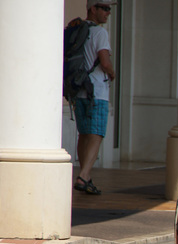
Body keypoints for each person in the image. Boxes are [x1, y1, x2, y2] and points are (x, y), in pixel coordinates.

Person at [72, 0, 117, 195]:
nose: (108, 13)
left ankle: (86, 175)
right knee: (97, 134)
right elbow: (105, 62)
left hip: (79, 90)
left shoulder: (77, 29)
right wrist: (112, 73)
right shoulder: (100, 33)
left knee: (84, 134)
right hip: (96, 91)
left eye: (110, 9)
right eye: (105, 9)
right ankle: (83, 176)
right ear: (93, 9)